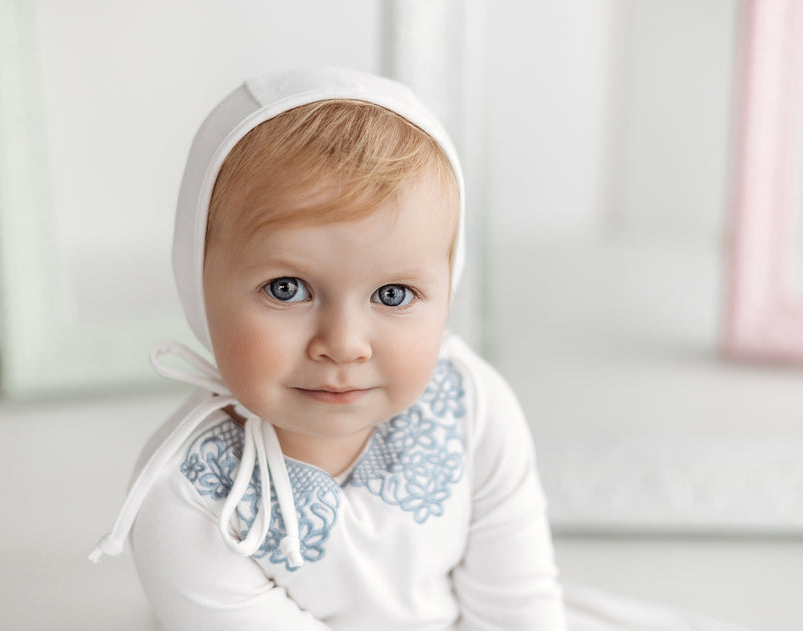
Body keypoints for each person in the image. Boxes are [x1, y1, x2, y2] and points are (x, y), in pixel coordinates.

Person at [90, 67, 568, 630]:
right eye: (287, 289)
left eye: (393, 294)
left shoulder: (471, 409)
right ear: (199, 283)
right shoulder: (186, 498)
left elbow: (517, 608)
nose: (343, 345)